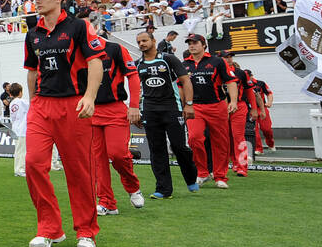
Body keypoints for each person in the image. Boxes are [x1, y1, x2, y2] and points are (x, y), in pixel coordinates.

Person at [22, 0, 106, 247]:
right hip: (42, 107)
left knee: (78, 171)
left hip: (73, 105)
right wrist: (34, 101)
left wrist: (90, 97)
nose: (37, 1)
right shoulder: (32, 33)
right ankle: (49, 229)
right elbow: (32, 72)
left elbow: (95, 62)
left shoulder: (79, 26)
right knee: (33, 164)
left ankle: (86, 232)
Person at [133, 30, 199, 198]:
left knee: (179, 147)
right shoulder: (138, 64)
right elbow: (136, 88)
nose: (142, 44)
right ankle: (163, 189)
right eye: (139, 41)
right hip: (149, 110)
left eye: (145, 40)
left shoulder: (168, 59)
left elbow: (185, 80)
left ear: (153, 41)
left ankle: (191, 178)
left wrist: (189, 105)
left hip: (171, 108)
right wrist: (137, 110)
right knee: (157, 149)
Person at [91, 37, 144, 216]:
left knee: (118, 155)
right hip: (90, 112)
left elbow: (133, 75)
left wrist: (134, 105)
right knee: (98, 160)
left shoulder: (115, 49)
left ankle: (133, 187)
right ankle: (107, 202)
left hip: (115, 109)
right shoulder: (77, 52)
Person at [183, 33, 237, 188]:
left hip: (217, 105)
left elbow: (231, 81)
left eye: (195, 43)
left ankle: (220, 176)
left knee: (220, 142)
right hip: (195, 107)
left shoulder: (217, 61)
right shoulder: (184, 64)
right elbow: (181, 87)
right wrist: (183, 106)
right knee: (194, 138)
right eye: (189, 43)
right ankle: (202, 172)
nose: (192, 46)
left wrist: (233, 101)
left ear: (203, 45)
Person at [224, 54, 253, 176]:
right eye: (225, 57)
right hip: (220, 107)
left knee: (238, 136)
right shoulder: (213, 71)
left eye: (230, 56)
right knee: (225, 137)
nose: (228, 59)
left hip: (239, 106)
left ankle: (242, 166)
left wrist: (255, 109)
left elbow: (250, 91)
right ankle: (233, 162)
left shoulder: (240, 73)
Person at [8, 82, 29, 177]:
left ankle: (19, 168)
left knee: (18, 150)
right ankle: (20, 169)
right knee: (22, 151)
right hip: (22, 129)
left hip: (16, 129)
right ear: (20, 92)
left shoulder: (12, 103)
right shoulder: (22, 102)